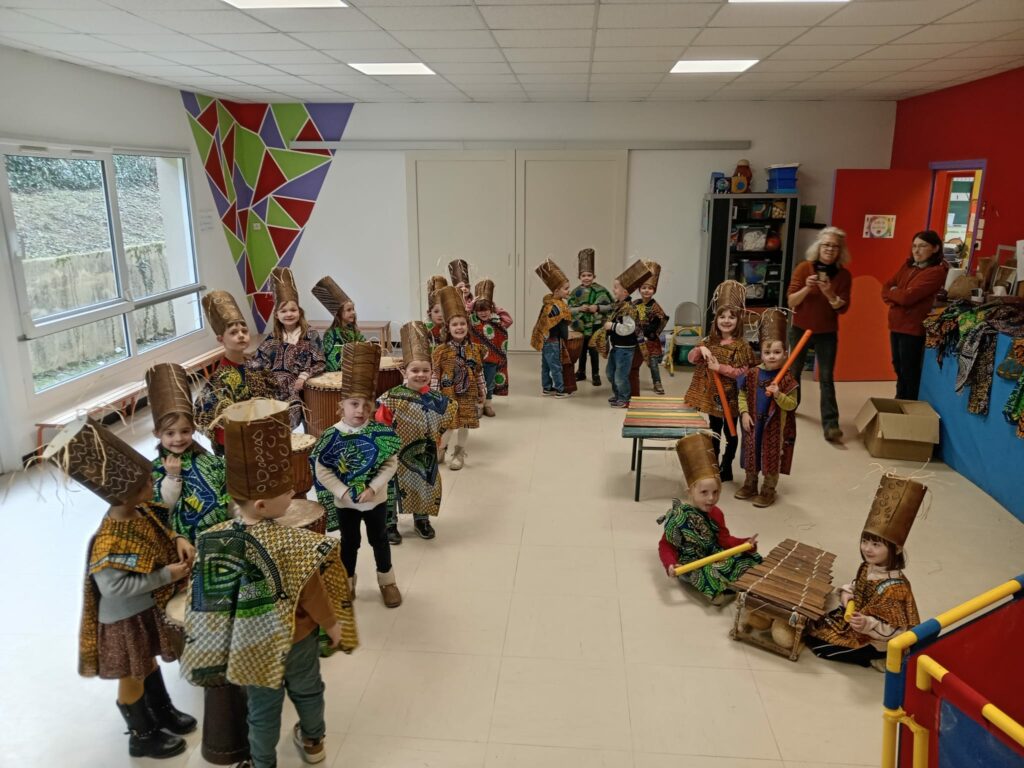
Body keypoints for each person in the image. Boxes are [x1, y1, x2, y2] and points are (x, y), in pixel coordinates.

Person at [181, 398, 357, 768]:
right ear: (262, 505)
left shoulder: (214, 542)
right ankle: (314, 742)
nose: (292, 493)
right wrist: (332, 625)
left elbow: (212, 603)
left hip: (251, 643)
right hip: (298, 638)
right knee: (308, 691)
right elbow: (312, 593)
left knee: (262, 709)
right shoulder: (294, 542)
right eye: (286, 492)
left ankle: (262, 762)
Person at [45, 418, 196, 759]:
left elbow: (161, 529)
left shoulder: (139, 511)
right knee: (132, 675)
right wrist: (166, 575)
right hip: (124, 620)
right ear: (126, 493)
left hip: (142, 611)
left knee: (148, 664)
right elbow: (114, 587)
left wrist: (178, 538)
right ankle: (142, 734)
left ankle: (162, 711)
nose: (152, 483)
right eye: (146, 482)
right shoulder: (110, 541)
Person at [311, 342, 403, 607]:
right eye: (354, 404)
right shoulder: (332, 436)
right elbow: (322, 468)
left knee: (380, 541)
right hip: (345, 504)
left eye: (366, 405)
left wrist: (373, 488)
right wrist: (342, 492)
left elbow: (390, 464)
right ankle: (347, 582)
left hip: (376, 501)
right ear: (341, 405)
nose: (360, 410)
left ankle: (387, 582)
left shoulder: (380, 433)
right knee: (349, 543)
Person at [806, 473, 923, 670]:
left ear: (896, 549)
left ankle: (879, 658)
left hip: (879, 639)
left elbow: (895, 629)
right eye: (865, 541)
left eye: (876, 544)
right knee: (812, 627)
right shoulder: (868, 566)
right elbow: (858, 586)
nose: (868, 549)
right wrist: (847, 594)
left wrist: (867, 623)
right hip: (858, 619)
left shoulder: (895, 589)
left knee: (822, 648)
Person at [376, 321, 458, 543]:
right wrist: (385, 451)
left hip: (424, 452)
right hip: (394, 454)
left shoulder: (438, 400)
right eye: (415, 370)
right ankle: (389, 523)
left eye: (425, 370)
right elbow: (381, 425)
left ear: (432, 372)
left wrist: (440, 442)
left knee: (424, 485)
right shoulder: (391, 398)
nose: (420, 375)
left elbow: (447, 422)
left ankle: (421, 519)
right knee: (392, 488)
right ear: (404, 371)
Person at [657, 433, 761, 605]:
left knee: (747, 558)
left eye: (715, 492)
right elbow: (666, 545)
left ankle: (735, 583)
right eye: (704, 492)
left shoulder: (716, 513)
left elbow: (725, 540)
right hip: (690, 564)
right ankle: (719, 591)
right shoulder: (678, 516)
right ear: (690, 491)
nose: (711, 498)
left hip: (713, 556)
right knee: (703, 572)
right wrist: (670, 564)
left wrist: (744, 543)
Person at [147, 362, 231, 541]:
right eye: (170, 433)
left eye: (184, 431)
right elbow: (162, 508)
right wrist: (172, 477)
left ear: (193, 429)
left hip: (224, 528)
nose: (178, 439)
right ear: (157, 434)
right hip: (190, 540)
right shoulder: (156, 469)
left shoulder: (206, 458)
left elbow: (227, 483)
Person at [684, 280, 756, 481]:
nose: (726, 320)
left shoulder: (741, 346)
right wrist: (701, 348)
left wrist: (720, 368)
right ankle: (713, 463)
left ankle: (727, 466)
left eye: (731, 317)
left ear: (738, 320)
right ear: (716, 320)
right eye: (722, 317)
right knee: (714, 431)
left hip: (732, 398)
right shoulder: (708, 341)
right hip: (712, 397)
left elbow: (743, 372)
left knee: (731, 432)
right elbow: (691, 359)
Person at [786, 227, 852, 442]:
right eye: (826, 245)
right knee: (794, 372)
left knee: (826, 377)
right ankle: (788, 410)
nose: (830, 249)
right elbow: (791, 301)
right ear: (818, 247)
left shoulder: (844, 275)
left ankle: (831, 425)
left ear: (840, 251)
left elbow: (843, 308)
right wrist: (807, 288)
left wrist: (829, 293)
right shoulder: (804, 268)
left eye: (835, 246)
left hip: (827, 332)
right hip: (800, 329)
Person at [194, 290, 279, 457]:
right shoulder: (220, 379)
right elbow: (204, 415)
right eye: (233, 332)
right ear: (221, 339)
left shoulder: (257, 365)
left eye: (244, 331)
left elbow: (273, 393)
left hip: (263, 436)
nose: (241, 335)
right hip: (237, 446)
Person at [734, 309, 798, 508]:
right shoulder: (752, 373)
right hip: (754, 422)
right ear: (761, 354)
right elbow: (742, 394)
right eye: (767, 353)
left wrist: (778, 395)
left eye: (777, 353)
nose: (771, 357)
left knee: (771, 456)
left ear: (785, 353)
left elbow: (792, 404)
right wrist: (744, 413)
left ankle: (768, 490)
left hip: (774, 427)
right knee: (751, 452)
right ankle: (750, 484)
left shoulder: (787, 379)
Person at [251, 267, 325, 429]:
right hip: (274, 391)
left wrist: (303, 376)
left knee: (287, 417)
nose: (289, 314)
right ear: (276, 315)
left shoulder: (310, 335)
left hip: (298, 390)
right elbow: (258, 364)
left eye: (293, 309)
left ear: (300, 312)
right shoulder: (272, 339)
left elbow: (319, 361)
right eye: (283, 311)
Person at [883, 230, 948, 400]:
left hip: (913, 328)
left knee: (909, 371)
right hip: (896, 325)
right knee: (898, 367)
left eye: (922, 246)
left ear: (935, 248)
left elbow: (907, 298)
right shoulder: (908, 266)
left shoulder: (935, 272)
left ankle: (909, 405)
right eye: (914, 246)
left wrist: (896, 293)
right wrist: (897, 294)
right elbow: (885, 288)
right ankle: (899, 400)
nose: (916, 251)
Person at [433, 285, 488, 470]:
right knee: (448, 427)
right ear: (448, 328)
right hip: (448, 395)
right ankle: (441, 448)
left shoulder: (475, 349)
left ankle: (459, 453)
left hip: (468, 393)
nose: (459, 327)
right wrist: (433, 395)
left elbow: (479, 372)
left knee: (464, 425)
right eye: (455, 324)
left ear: (467, 326)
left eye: (462, 324)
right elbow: (435, 374)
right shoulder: (441, 351)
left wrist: (483, 391)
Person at [602, 260, 652, 408]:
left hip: (625, 349)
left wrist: (612, 326)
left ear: (625, 292)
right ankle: (618, 395)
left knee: (620, 376)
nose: (613, 290)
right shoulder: (619, 306)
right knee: (610, 373)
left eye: (616, 288)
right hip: (617, 347)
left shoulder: (628, 308)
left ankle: (624, 399)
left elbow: (629, 328)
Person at [568, 248, 613, 386]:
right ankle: (581, 372)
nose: (586, 278)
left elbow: (612, 306)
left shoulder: (601, 290)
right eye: (583, 275)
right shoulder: (575, 292)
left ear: (594, 276)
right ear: (579, 277)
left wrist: (597, 308)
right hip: (581, 327)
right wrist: (579, 309)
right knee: (581, 351)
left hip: (596, 326)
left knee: (593, 351)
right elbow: (568, 310)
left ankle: (595, 374)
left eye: (589, 275)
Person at [530, 258, 573, 398]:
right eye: (566, 289)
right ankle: (560, 390)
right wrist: (566, 338)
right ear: (556, 290)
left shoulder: (548, 304)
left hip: (545, 341)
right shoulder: (558, 307)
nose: (568, 291)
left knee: (546, 366)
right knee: (555, 366)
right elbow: (561, 325)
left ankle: (547, 387)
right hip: (554, 342)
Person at [470, 278, 513, 416]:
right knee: (477, 383)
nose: (483, 313)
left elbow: (509, 320)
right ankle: (478, 406)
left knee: (489, 384)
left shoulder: (496, 321)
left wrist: (495, 308)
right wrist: (471, 305)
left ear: (491, 309)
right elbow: (463, 315)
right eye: (479, 310)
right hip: (476, 360)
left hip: (492, 360)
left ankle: (487, 405)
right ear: (475, 311)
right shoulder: (473, 322)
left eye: (486, 310)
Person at [312, 275, 365, 373]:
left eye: (353, 309)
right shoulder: (331, 334)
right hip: (337, 374)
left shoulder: (353, 330)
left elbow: (364, 345)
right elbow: (332, 363)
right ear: (339, 314)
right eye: (349, 310)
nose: (353, 312)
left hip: (354, 370)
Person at [635, 259, 669, 395]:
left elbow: (662, 319)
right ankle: (632, 381)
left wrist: (650, 332)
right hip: (636, 339)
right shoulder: (635, 304)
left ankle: (657, 382)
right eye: (643, 288)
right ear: (639, 289)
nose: (646, 291)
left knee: (653, 363)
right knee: (634, 362)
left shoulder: (655, 306)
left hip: (650, 339)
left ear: (654, 290)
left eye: (649, 288)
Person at [424, 275, 449, 348]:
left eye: (443, 311)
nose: (440, 315)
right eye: (436, 311)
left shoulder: (450, 328)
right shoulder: (426, 329)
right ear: (429, 313)